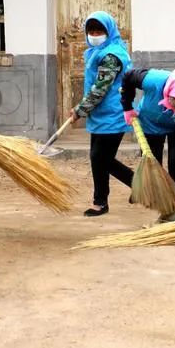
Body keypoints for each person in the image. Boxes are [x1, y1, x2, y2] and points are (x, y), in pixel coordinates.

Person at [69, 11, 133, 217]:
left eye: (99, 31)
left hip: (113, 113)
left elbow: (100, 88)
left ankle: (137, 186)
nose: (94, 34)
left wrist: (80, 110)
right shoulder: (95, 52)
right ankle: (102, 200)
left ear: (109, 31)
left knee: (100, 158)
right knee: (99, 158)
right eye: (91, 31)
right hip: (100, 115)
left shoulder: (112, 55)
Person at [120, 65, 175, 204]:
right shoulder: (153, 80)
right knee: (152, 162)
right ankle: (148, 192)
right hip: (150, 122)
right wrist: (127, 107)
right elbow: (128, 77)